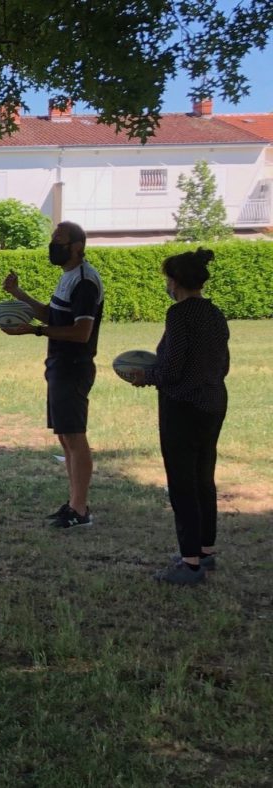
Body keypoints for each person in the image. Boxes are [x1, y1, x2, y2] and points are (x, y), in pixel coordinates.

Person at [124, 248, 228, 585]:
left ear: (176, 281)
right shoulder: (214, 313)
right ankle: (206, 551)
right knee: (203, 478)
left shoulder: (180, 315)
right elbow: (222, 363)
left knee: (182, 484)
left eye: (168, 279)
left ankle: (190, 563)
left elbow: (172, 367)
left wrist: (146, 376)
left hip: (183, 406)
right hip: (213, 401)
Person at [1, 221, 104, 528]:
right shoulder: (69, 277)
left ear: (77, 247)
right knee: (65, 436)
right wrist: (18, 294)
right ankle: (74, 503)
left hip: (74, 366)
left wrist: (34, 332)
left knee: (75, 435)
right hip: (59, 364)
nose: (52, 245)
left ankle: (81, 509)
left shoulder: (85, 281)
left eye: (59, 241)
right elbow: (51, 314)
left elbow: (82, 332)